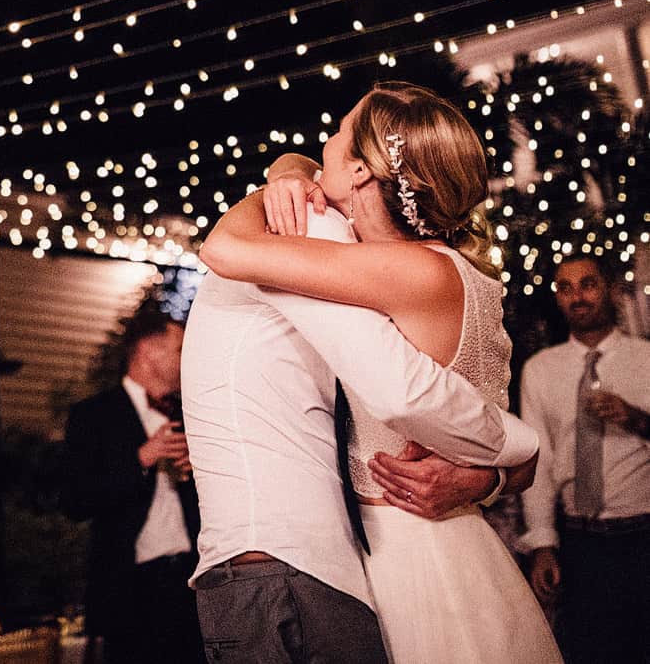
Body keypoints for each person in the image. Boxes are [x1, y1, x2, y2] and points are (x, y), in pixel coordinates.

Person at [184, 81, 546, 664]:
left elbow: (226, 248)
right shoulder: (431, 267)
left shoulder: (402, 270)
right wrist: (289, 169)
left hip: (415, 554)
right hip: (435, 546)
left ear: (358, 172)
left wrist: (278, 183)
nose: (320, 142)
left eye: (336, 132)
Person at [518, 252, 650, 664]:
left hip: (643, 538)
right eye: (565, 287)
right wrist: (543, 545)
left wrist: (635, 417)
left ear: (609, 289)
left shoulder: (646, 360)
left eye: (588, 284)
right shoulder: (540, 370)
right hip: (579, 542)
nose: (577, 296)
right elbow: (538, 464)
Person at [61, 306, 201, 664]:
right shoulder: (93, 415)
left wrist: (198, 472)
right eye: (180, 350)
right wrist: (142, 458)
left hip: (192, 582)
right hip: (129, 589)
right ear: (147, 351)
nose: (189, 358)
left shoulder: (193, 413)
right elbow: (75, 499)